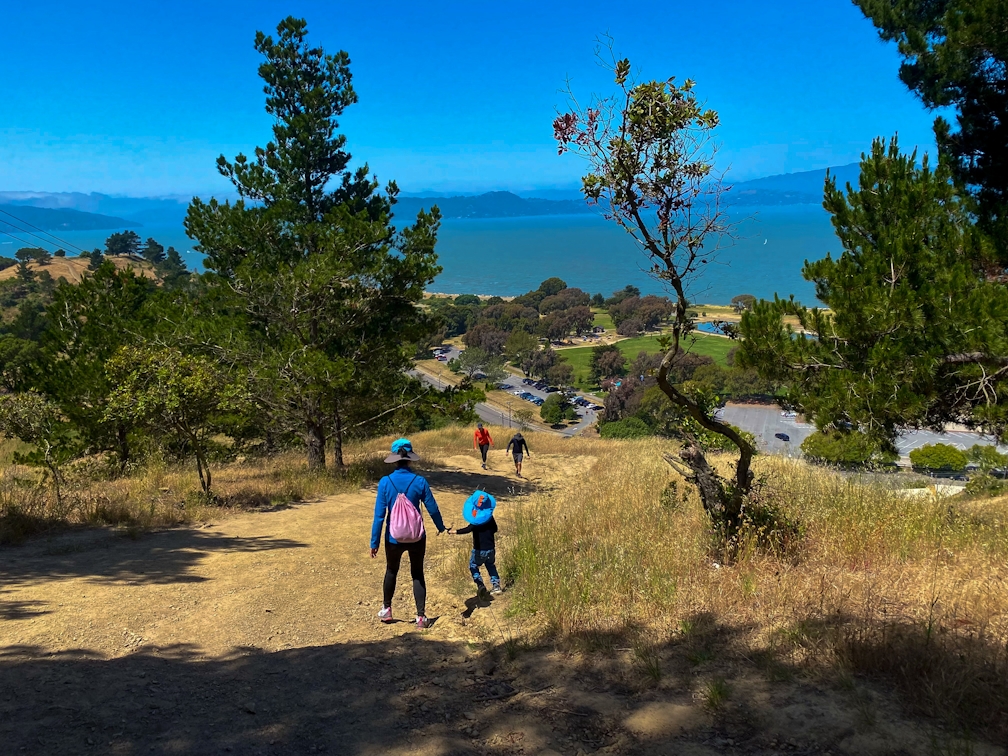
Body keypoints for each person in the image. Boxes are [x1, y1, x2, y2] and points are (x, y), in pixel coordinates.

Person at [370, 438, 446, 628]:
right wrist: (441, 527)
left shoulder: (385, 482)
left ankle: (387, 609)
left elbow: (379, 516)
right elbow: (432, 508)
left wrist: (374, 542)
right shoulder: (420, 481)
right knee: (417, 574)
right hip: (417, 537)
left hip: (393, 537)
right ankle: (421, 617)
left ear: (395, 459)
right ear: (410, 459)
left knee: (391, 570)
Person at [449, 512, 501, 600]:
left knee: (473, 565)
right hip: (491, 549)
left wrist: (454, 531)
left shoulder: (475, 520)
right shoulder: (489, 517)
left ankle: (480, 584)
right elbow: (495, 529)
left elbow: (468, 529)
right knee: (490, 565)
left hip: (479, 551)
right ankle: (496, 586)